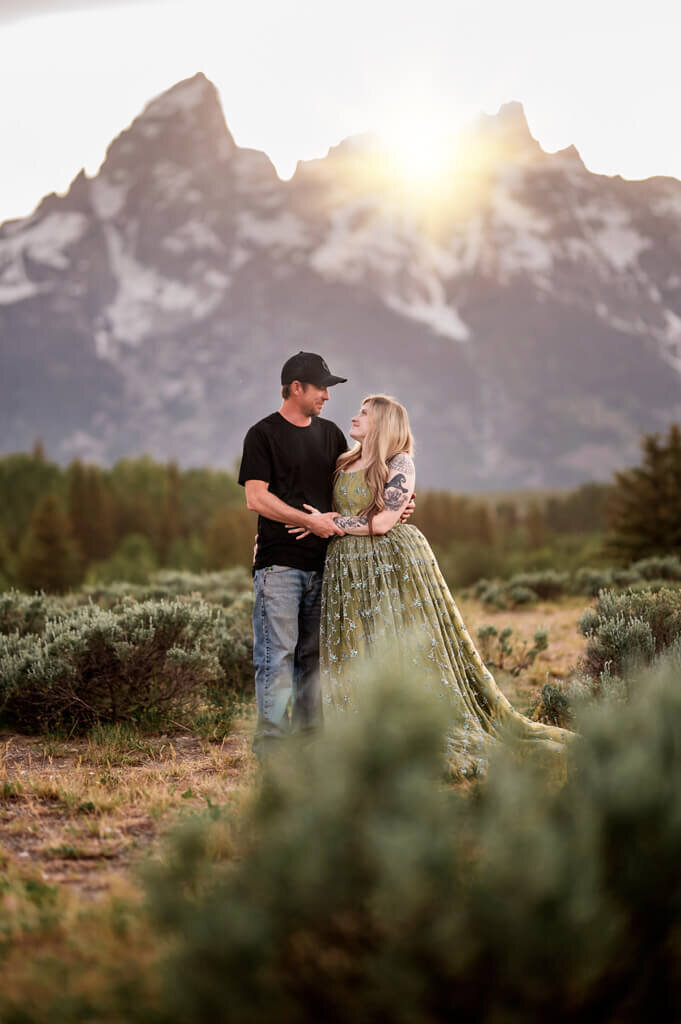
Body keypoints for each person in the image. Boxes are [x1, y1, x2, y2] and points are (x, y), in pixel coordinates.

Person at [290, 393, 574, 776]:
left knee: (401, 644)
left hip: (391, 564)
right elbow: (317, 501)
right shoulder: (344, 460)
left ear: (384, 423)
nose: (354, 417)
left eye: (364, 413)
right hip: (346, 570)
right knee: (358, 648)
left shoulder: (399, 461)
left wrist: (334, 523)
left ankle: (415, 727)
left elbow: (385, 523)